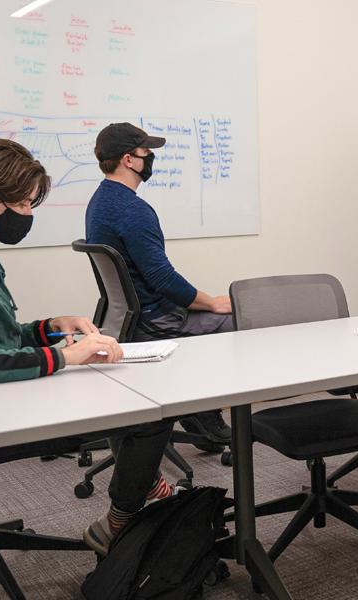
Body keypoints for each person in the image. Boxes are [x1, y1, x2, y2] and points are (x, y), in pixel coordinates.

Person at [0, 138, 175, 556]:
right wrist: (62, 357)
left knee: (120, 393)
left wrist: (50, 329)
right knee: (148, 414)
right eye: (22, 204)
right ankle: (122, 520)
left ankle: (142, 494)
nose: (26, 215)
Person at [85, 122, 232, 446]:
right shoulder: (132, 210)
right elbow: (162, 279)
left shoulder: (100, 201)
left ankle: (198, 415)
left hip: (130, 317)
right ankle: (207, 418)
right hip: (154, 320)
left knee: (214, 313)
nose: (150, 157)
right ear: (128, 159)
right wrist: (211, 303)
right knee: (233, 321)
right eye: (145, 151)